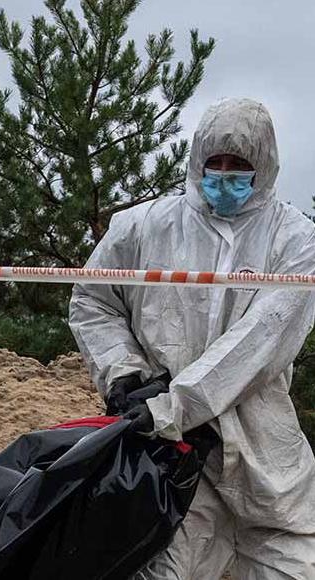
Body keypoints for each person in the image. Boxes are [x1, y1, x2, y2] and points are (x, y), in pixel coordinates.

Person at [69, 98, 315, 578]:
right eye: (214, 163)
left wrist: (175, 405)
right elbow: (93, 301)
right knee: (165, 570)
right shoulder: (142, 228)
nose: (224, 176)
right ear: (196, 159)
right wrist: (124, 374)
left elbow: (261, 341)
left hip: (260, 448)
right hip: (172, 456)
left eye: (239, 166)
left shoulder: (295, 241)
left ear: (263, 166)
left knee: (294, 567)